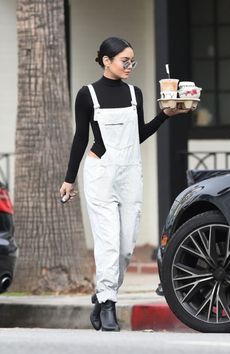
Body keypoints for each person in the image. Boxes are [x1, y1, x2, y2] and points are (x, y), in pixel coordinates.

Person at [59, 37, 189, 331]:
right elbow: (81, 138)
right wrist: (69, 179)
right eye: (124, 61)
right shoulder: (87, 94)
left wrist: (164, 116)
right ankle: (107, 304)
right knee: (107, 242)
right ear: (107, 61)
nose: (130, 66)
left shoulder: (135, 93)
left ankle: (103, 293)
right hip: (100, 172)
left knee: (125, 246)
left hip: (131, 172)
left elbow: (138, 135)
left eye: (133, 61)